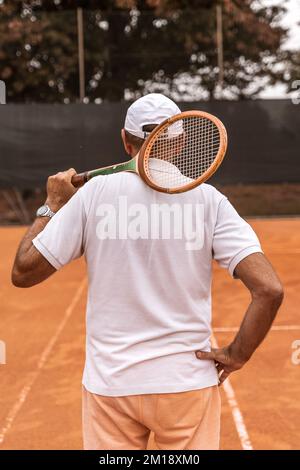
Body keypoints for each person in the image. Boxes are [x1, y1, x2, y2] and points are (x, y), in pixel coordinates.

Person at [12, 93, 284, 450]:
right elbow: (269, 289)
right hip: (185, 384)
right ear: (182, 140)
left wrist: (50, 206)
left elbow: (24, 271)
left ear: (126, 140)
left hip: (112, 385)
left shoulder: (93, 195)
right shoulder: (209, 201)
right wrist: (237, 354)